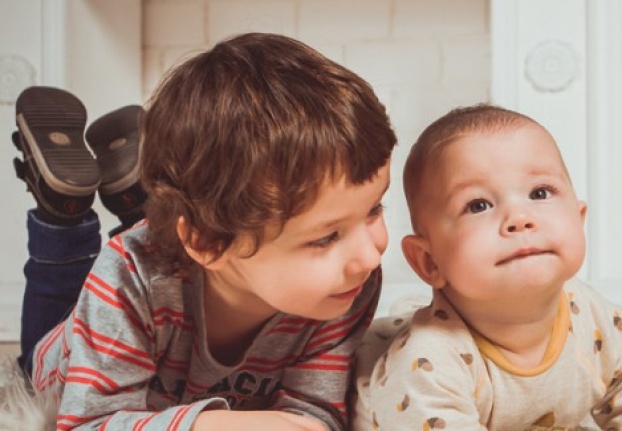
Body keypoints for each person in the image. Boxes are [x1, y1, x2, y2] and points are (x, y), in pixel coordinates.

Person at [12, 32, 396, 431]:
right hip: (66, 357)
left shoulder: (344, 288)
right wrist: (208, 425)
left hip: (176, 277)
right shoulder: (127, 277)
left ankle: (144, 199)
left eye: (374, 209)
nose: (371, 256)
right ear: (208, 242)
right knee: (43, 343)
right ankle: (63, 216)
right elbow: (85, 424)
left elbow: (317, 410)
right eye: (325, 236)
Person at [352, 105, 622, 430]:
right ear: (428, 261)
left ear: (578, 218)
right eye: (478, 205)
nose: (519, 218)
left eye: (540, 192)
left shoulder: (598, 321)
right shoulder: (425, 365)